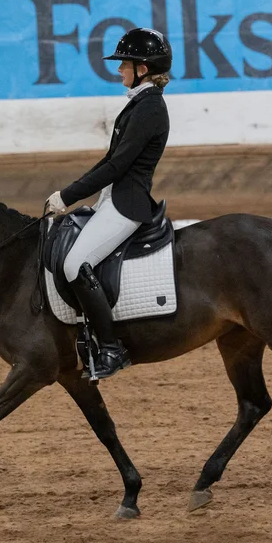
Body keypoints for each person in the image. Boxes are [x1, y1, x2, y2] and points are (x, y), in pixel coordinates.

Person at [46, 27, 172, 379]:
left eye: (124, 65)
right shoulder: (139, 105)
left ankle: (112, 348)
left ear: (142, 69)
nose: (119, 70)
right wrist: (67, 194)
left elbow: (118, 166)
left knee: (75, 266)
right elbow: (109, 161)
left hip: (127, 204)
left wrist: (69, 197)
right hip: (112, 198)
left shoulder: (149, 109)